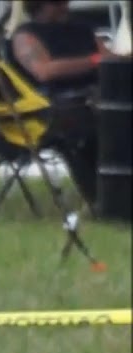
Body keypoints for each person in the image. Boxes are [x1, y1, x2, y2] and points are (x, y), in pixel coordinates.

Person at [9, 0, 125, 205]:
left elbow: (109, 59)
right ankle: (103, 200)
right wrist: (94, 61)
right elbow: (44, 71)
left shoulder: (82, 29)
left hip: (97, 98)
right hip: (54, 107)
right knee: (82, 131)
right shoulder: (26, 36)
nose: (65, 6)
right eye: (58, 3)